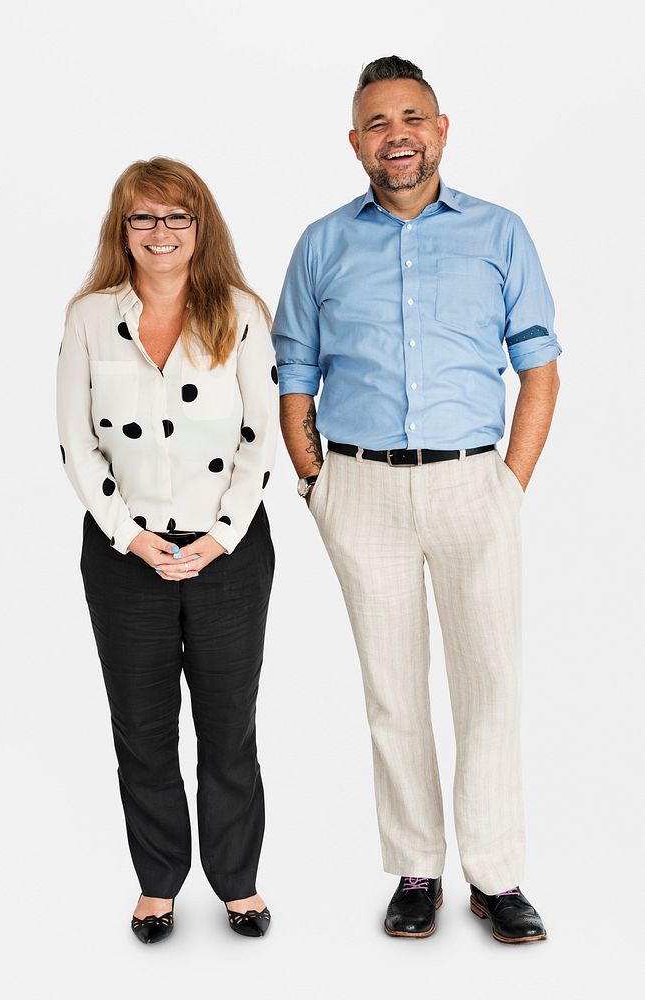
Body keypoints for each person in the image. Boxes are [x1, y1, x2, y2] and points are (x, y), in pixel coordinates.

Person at [273, 56, 561, 944]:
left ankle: (497, 877)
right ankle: (416, 870)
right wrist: (319, 485)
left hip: (475, 481)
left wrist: (507, 485)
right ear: (355, 142)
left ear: (441, 129)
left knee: (489, 686)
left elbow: (540, 363)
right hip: (359, 488)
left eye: (412, 117)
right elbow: (294, 373)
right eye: (377, 123)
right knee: (392, 690)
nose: (396, 135)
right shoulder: (323, 242)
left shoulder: (500, 232)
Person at [57, 156, 278, 943]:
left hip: (230, 554)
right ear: (123, 229)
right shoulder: (90, 317)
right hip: (125, 556)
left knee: (228, 727)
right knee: (142, 729)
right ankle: (157, 884)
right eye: (144, 218)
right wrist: (132, 536)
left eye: (176, 217)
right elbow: (76, 444)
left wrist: (220, 536)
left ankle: (238, 883)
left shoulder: (242, 311)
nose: (160, 232)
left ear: (200, 227)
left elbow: (260, 438)